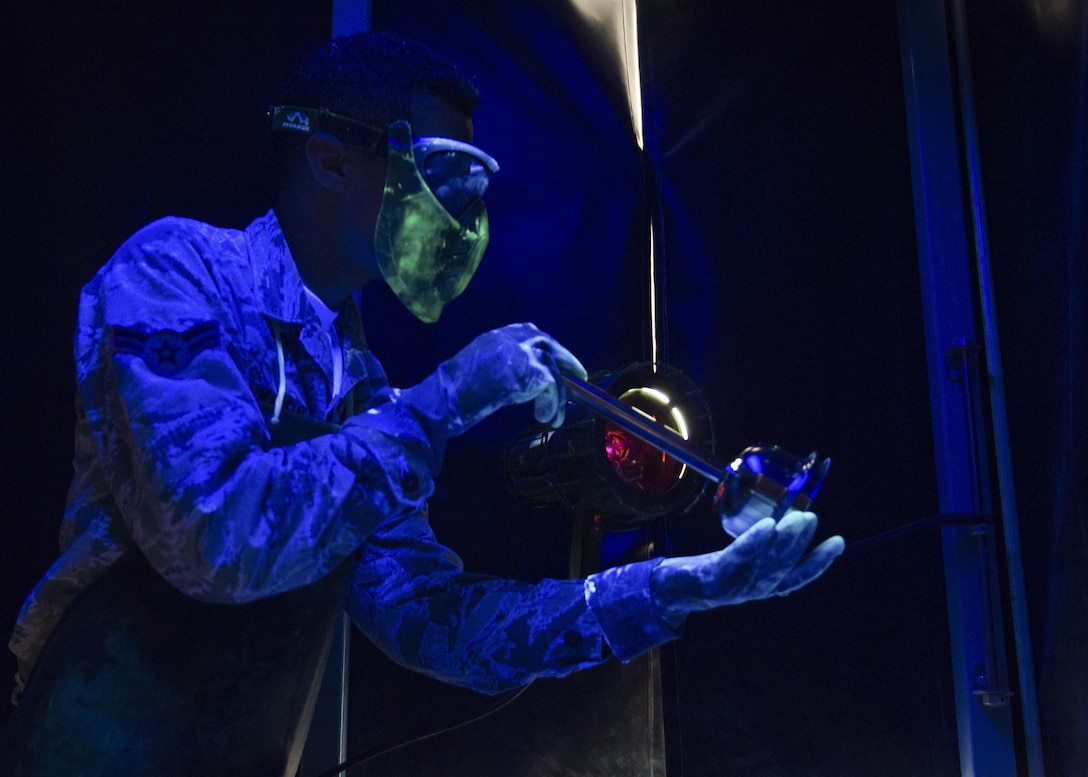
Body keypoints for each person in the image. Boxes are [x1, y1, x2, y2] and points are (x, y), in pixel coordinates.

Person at [0, 32, 844, 776]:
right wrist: (443, 401)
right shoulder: (176, 272)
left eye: (472, 185)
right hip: (80, 745)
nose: (460, 216)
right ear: (330, 158)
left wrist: (679, 588)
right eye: (438, 174)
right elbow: (214, 536)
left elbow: (434, 621)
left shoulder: (357, 383)